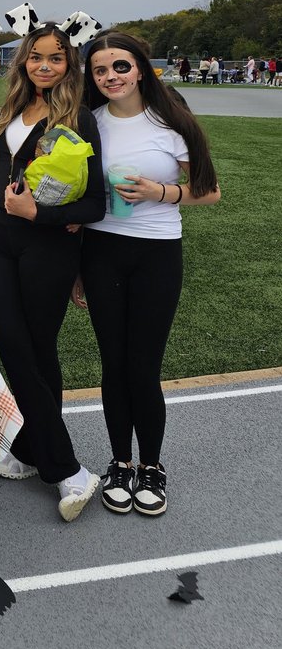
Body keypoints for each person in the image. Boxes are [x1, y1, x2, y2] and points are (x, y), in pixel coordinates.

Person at [78, 32, 221, 517]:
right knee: (113, 365)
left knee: (143, 366)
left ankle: (152, 467)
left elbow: (209, 191)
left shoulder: (171, 123)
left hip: (157, 253)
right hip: (100, 252)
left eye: (120, 66)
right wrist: (77, 267)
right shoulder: (89, 123)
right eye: (100, 70)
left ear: (140, 69)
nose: (111, 76)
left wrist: (161, 193)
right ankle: (120, 463)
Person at [0, 22, 105, 522]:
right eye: (36, 57)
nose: (45, 66)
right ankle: (34, 447)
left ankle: (69, 471)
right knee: (23, 348)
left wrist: (41, 216)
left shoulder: (78, 118)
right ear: (23, 62)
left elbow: (95, 202)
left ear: (68, 64)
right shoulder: (14, 107)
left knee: (26, 350)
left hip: (48, 247)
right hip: (0, 241)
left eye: (55, 58)